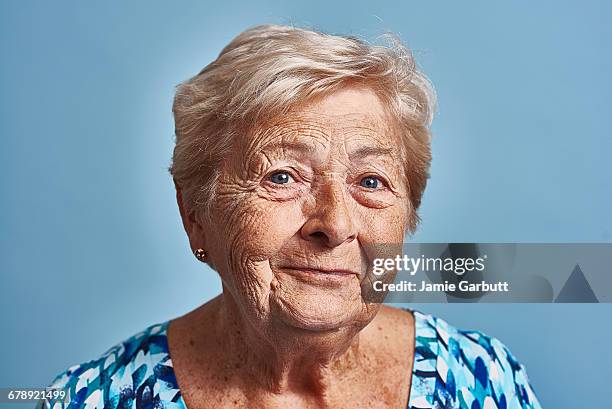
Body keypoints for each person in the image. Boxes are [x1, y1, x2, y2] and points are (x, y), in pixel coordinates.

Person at [40, 25, 541, 409]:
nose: (336, 224)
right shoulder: (91, 398)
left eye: (370, 181)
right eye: (281, 177)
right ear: (195, 214)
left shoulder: (482, 379)